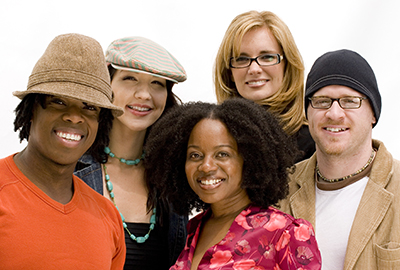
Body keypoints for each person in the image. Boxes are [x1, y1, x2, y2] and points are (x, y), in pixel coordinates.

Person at [144, 98, 322, 270]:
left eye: (222, 154)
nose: (206, 166)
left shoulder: (286, 233)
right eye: (195, 155)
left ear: (249, 159)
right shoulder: (194, 228)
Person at [0, 33, 126, 269]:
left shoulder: (108, 217)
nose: (74, 117)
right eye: (58, 101)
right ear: (31, 110)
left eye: (89, 107)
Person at [279, 49, 400, 269]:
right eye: (322, 101)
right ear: (308, 112)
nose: (334, 113)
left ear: (373, 113)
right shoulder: (280, 190)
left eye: (350, 101)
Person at [74, 36, 188, 269]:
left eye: (157, 83)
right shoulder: (71, 168)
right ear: (108, 85)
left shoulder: (174, 178)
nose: (144, 94)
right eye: (130, 78)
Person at [214, 10, 315, 162]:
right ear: (229, 72)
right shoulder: (212, 133)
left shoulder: (314, 138)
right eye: (241, 59)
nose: (254, 69)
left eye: (267, 57)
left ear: (287, 65)